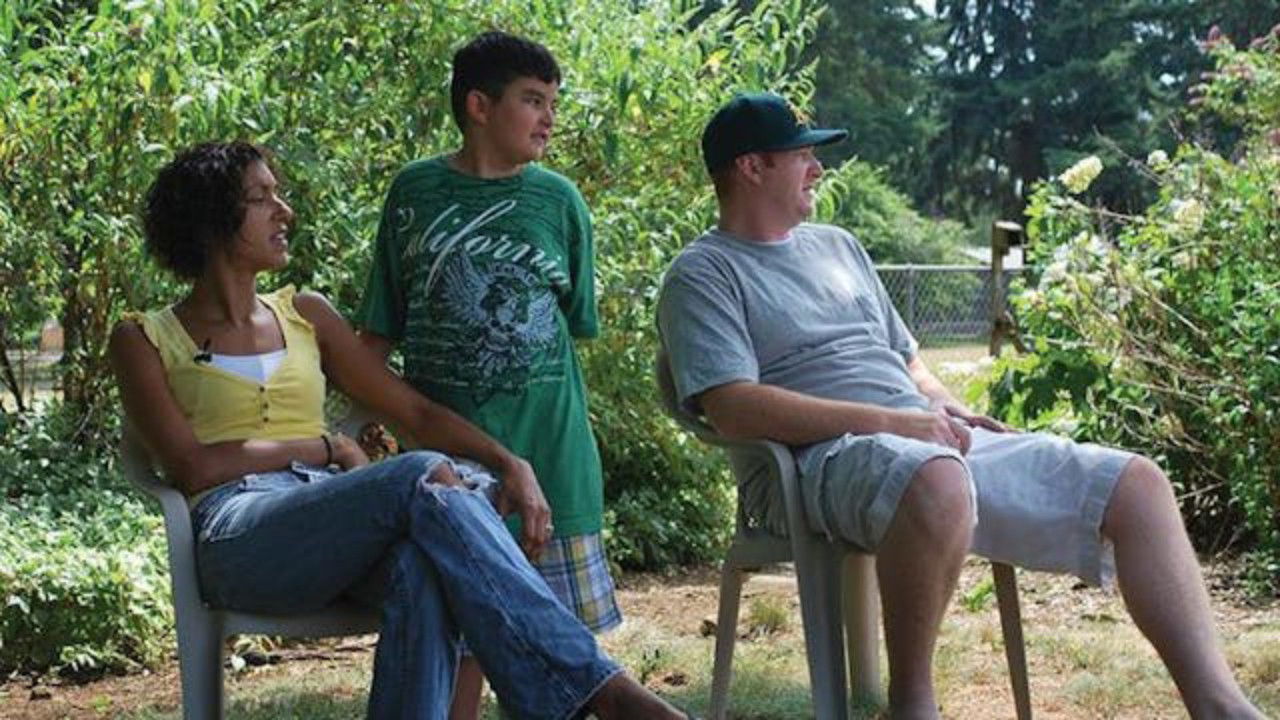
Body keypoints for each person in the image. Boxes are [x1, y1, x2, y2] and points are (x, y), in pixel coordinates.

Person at [656, 92, 1266, 720]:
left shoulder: (838, 247)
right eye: (801, 156)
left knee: (1136, 485)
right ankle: (913, 704)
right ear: (752, 167)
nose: (817, 169)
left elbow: (908, 360)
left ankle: (1220, 706)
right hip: (811, 463)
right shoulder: (703, 275)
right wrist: (897, 424)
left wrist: (947, 408)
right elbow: (733, 408)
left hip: (921, 442)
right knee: (936, 477)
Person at [111, 141, 691, 720]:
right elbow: (192, 466)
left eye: (278, 194)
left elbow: (415, 414)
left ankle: (590, 691)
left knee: (423, 566)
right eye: (261, 198)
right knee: (420, 473)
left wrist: (508, 461)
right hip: (237, 536)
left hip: (331, 516)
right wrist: (323, 446)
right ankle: (603, 692)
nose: (284, 211)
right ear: (211, 221)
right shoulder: (145, 337)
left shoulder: (305, 315)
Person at [355, 31, 619, 717]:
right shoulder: (414, 192)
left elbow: (571, 328)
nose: (549, 118)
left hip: (555, 467)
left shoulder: (560, 203)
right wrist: (350, 434)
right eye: (533, 100)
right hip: (452, 480)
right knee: (458, 662)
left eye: (553, 102)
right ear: (478, 105)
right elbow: (378, 332)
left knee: (558, 670)